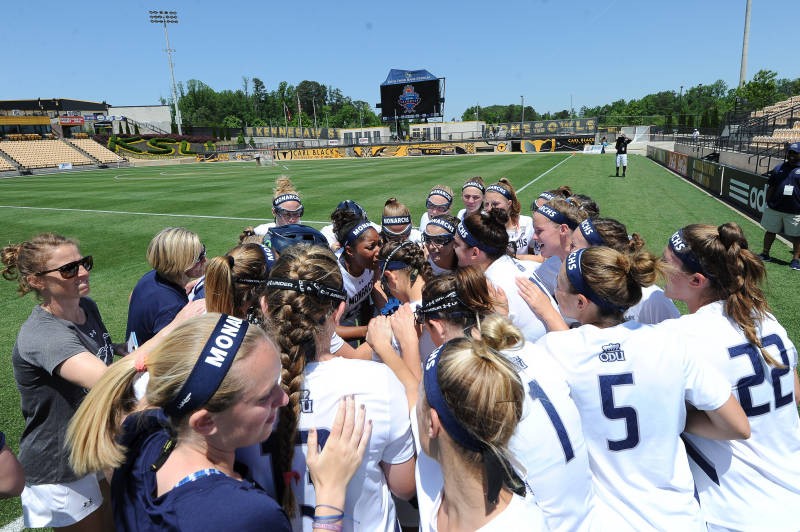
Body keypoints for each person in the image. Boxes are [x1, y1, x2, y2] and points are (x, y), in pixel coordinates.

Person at [67, 313, 372, 531]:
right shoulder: (242, 515)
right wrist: (330, 495)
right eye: (264, 396)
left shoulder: (138, 435)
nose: (282, 399)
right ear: (204, 423)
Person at [530, 246, 750, 530]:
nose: (554, 291)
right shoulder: (670, 342)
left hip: (605, 521)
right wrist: (671, 418)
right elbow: (737, 427)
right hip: (679, 519)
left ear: (582, 302)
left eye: (559, 285)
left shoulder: (554, 350)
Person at [1, 233, 200, 530]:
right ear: (36, 281)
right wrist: (179, 322)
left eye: (84, 263)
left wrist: (120, 349)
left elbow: (98, 355)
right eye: (69, 269)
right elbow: (107, 380)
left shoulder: (86, 307)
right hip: (62, 463)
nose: (83, 272)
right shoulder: (43, 336)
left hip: (94, 443)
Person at [239, 244, 415, 531]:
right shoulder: (378, 383)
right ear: (338, 312)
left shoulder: (235, 388)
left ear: (265, 307)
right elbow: (404, 486)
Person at [407, 270, 595, 530]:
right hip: (586, 512)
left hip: (541, 521)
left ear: (436, 326)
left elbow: (425, 420)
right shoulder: (532, 349)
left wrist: (404, 348)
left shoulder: (469, 381)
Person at [661, 223, 800, 530]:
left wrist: (681, 418)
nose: (659, 267)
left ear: (697, 280)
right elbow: (794, 392)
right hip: (792, 489)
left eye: (666, 262)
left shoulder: (681, 335)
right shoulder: (765, 318)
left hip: (739, 508)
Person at [416, 337, 548, 530]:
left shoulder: (430, 478)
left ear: (432, 423)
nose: (415, 408)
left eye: (421, 400)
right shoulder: (439, 468)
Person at [454, 209, 557, 342]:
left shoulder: (491, 286)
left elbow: (491, 347)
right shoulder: (522, 266)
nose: (452, 248)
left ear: (475, 252)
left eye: (456, 244)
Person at [569, 217, 680, 324]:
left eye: (573, 245)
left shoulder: (652, 299)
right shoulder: (578, 287)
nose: (568, 250)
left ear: (600, 256)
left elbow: (676, 338)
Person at [127, 226, 206, 345]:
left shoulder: (151, 276)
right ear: (182, 263)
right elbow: (170, 354)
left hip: (132, 350)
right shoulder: (172, 308)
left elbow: (131, 297)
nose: (205, 259)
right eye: (199, 257)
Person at [333, 210, 381, 342]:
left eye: (379, 244)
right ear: (349, 251)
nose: (379, 251)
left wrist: (389, 316)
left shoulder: (371, 264)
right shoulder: (334, 277)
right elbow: (328, 330)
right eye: (371, 247)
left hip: (356, 314)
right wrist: (370, 330)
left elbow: (375, 287)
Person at [757, 142, 800, 270]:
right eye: (790, 152)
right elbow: (771, 186)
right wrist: (767, 202)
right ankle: (765, 253)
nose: (792, 155)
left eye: (795, 153)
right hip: (775, 208)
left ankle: (795, 260)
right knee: (770, 231)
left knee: (797, 236)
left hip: (795, 210)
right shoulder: (779, 168)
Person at [484, 178, 534, 255]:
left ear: (509, 203)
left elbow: (533, 252)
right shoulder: (481, 227)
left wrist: (513, 258)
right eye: (486, 204)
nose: (489, 209)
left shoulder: (526, 223)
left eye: (495, 204)